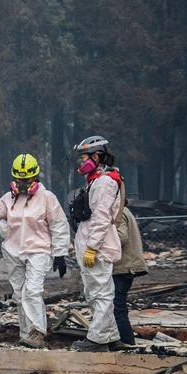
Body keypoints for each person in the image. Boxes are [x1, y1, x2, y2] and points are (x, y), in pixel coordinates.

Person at [0, 154, 70, 348]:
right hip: (13, 251)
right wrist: (7, 232)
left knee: (32, 291)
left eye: (26, 179)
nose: (23, 184)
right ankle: (25, 334)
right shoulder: (8, 199)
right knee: (20, 294)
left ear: (35, 177)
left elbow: (58, 225)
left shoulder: (47, 198)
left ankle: (37, 332)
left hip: (38, 250)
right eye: (19, 179)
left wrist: (60, 253)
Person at [70, 135, 124, 351]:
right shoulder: (97, 181)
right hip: (93, 244)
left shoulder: (104, 183)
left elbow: (101, 218)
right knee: (99, 292)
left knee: (99, 294)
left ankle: (97, 340)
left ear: (96, 156)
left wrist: (92, 248)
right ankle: (111, 336)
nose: (81, 162)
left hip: (97, 248)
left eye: (84, 157)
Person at [113, 204, 148, 345]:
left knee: (117, 307)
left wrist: (97, 235)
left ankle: (126, 342)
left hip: (123, 266)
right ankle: (123, 341)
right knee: (117, 306)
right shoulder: (121, 209)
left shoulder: (117, 211)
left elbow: (121, 237)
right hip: (125, 266)